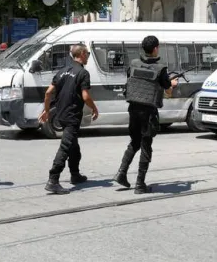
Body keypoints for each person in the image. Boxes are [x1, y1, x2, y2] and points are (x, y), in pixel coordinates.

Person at [113, 35, 178, 194]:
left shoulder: (134, 64)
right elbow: (167, 87)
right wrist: (172, 83)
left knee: (134, 142)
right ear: (155, 48)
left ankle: (121, 172)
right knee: (146, 146)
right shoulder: (161, 68)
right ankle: (140, 184)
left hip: (133, 109)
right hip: (148, 112)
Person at [39, 44, 99, 195]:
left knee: (74, 147)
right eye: (88, 54)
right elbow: (85, 96)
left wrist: (46, 111)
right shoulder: (83, 73)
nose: (88, 57)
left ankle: (75, 174)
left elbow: (48, 93)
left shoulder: (62, 71)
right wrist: (94, 108)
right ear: (83, 54)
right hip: (72, 115)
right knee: (66, 146)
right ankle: (53, 179)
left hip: (60, 114)